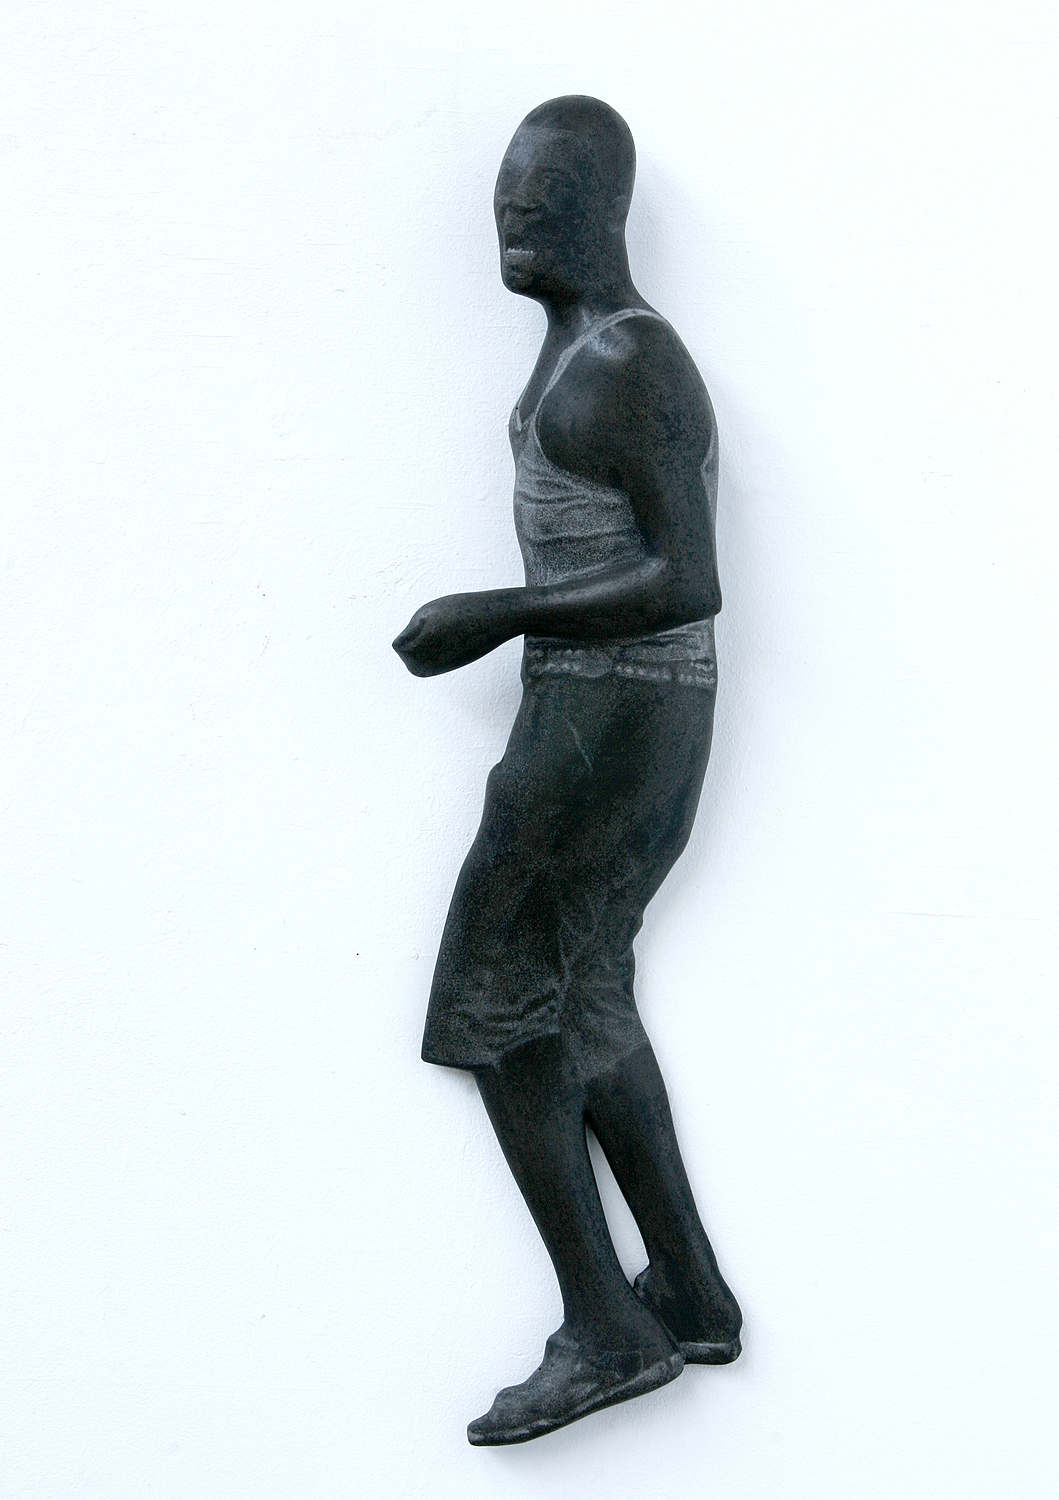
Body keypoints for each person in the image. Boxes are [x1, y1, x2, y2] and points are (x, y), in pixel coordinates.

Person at [393, 96, 741, 1446]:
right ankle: (689, 1295)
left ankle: (604, 1329)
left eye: (542, 207)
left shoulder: (625, 360)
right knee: (585, 988)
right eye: (504, 206)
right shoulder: (586, 352)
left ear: (607, 212)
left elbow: (688, 578)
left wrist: (500, 612)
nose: (515, 226)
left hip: (608, 713)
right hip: (626, 713)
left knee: (498, 1006)